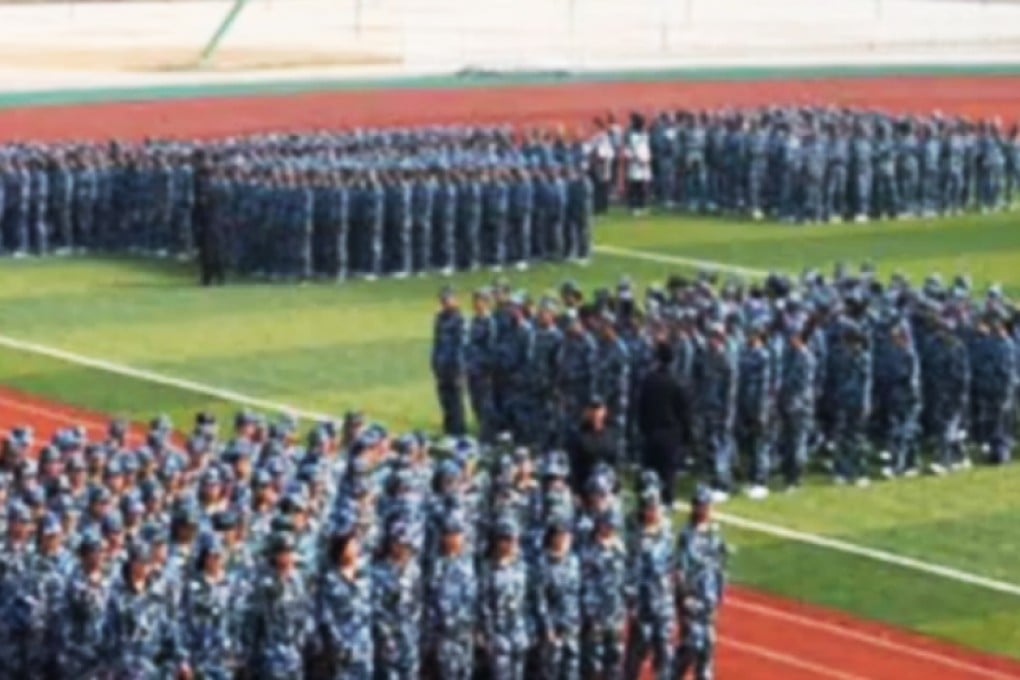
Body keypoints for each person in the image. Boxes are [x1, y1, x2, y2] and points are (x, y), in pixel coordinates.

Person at [314, 516, 374, 680]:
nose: (355, 548)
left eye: (356, 544)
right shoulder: (329, 581)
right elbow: (325, 618)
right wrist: (338, 645)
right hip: (341, 651)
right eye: (350, 544)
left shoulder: (364, 577)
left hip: (363, 647)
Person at [637, 343, 691, 507]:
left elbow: (641, 407)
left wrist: (643, 429)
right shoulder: (677, 382)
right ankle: (667, 502)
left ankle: (647, 502)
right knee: (667, 472)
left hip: (651, 432)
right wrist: (687, 436)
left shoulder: (648, 379)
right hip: (670, 434)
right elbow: (684, 411)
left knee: (649, 471)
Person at [431, 286, 467, 436]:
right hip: (442, 366)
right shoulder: (439, 318)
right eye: (443, 300)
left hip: (454, 367)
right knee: (445, 400)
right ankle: (449, 430)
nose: (446, 303)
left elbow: (461, 346)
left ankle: (458, 432)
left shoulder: (460, 319)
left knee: (456, 402)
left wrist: (460, 370)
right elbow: (437, 342)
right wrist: (434, 363)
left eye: (448, 299)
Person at [566, 396, 617, 495]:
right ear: (586, 412)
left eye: (598, 409)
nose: (595, 413)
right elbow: (574, 466)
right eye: (592, 409)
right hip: (585, 490)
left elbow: (615, 463)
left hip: (608, 490)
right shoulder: (578, 436)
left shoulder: (611, 435)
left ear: (604, 411)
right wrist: (576, 492)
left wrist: (615, 489)